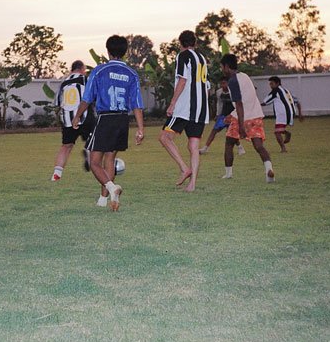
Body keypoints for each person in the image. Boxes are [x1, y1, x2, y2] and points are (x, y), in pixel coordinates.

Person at [72, 35, 144, 211]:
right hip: (122, 119)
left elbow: (87, 98)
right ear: (125, 52)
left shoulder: (99, 71)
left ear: (108, 51)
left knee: (94, 161)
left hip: (106, 118)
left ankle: (112, 188)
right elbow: (136, 104)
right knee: (110, 159)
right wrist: (140, 128)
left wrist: (77, 116)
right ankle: (104, 200)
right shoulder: (132, 74)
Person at [158, 30, 210, 192]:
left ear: (180, 44)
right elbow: (206, 86)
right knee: (193, 146)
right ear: (194, 43)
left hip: (184, 108)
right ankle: (192, 184)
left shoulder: (183, 56)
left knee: (164, 137)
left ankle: (183, 168)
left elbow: (183, 79)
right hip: (200, 110)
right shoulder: (202, 59)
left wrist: (173, 103)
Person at [219, 54, 275, 183]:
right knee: (259, 146)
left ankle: (228, 174)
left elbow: (239, 104)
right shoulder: (244, 76)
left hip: (242, 117)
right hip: (255, 115)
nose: (222, 69)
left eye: (222, 67)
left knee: (229, 143)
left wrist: (241, 125)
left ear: (227, 67)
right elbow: (247, 98)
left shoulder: (232, 81)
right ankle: (269, 170)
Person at [51, 60, 94, 181]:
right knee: (93, 143)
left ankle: (56, 174)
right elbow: (92, 97)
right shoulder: (85, 80)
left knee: (66, 146)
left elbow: (57, 103)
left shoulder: (63, 83)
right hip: (84, 116)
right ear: (82, 69)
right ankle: (89, 156)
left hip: (67, 120)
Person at [199, 76, 245, 156]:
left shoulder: (232, 92)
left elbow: (237, 105)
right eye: (221, 83)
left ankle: (240, 147)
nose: (223, 85)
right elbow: (219, 103)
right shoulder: (219, 92)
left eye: (224, 83)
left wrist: (233, 115)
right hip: (223, 115)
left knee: (231, 133)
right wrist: (218, 114)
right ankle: (205, 148)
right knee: (214, 131)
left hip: (232, 116)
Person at [262, 75, 304, 153]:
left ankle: (283, 148)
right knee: (279, 130)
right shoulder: (286, 91)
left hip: (282, 114)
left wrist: (254, 104)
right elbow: (297, 101)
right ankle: (286, 133)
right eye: (270, 84)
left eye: (272, 84)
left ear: (277, 83)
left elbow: (265, 102)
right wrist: (300, 114)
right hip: (291, 113)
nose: (271, 86)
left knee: (277, 132)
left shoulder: (275, 91)